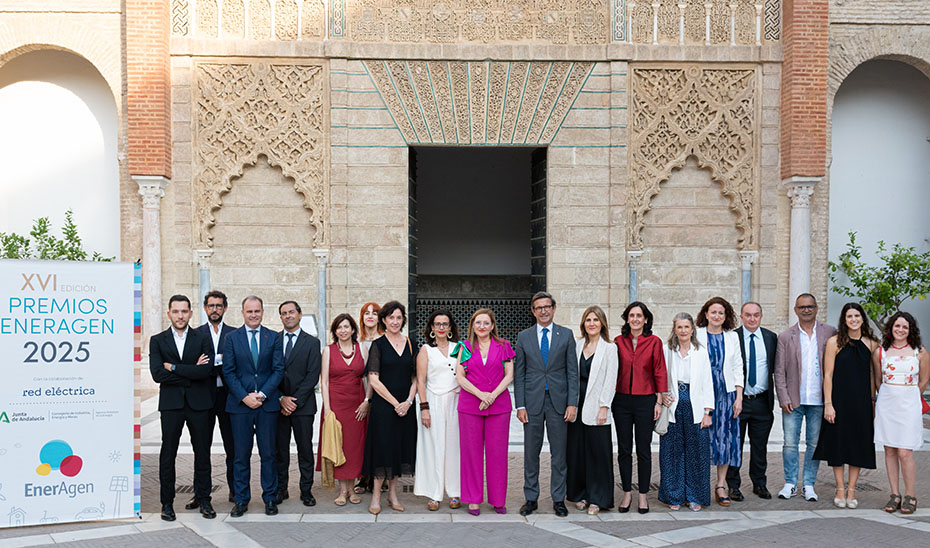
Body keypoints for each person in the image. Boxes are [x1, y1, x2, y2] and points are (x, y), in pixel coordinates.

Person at [150, 295, 215, 521]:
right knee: (168, 454)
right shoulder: (157, 340)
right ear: (169, 313)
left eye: (184, 311)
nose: (180, 316)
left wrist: (174, 368)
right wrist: (190, 372)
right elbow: (158, 374)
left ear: (190, 313)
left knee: (203, 453)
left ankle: (204, 499)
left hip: (199, 404)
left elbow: (206, 372)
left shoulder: (202, 338)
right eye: (176, 311)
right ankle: (166, 503)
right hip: (171, 405)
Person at [514, 291, 579, 517]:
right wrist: (519, 405)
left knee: (559, 455)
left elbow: (573, 372)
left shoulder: (566, 335)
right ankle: (531, 498)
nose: (543, 311)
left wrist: (573, 403)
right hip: (531, 403)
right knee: (531, 454)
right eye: (538, 307)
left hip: (559, 403)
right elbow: (519, 374)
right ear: (533, 311)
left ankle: (558, 499)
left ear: (553, 308)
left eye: (547, 306)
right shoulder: (523, 337)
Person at [222, 296, 285, 517]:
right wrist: (244, 397)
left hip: (266, 406)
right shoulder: (231, 338)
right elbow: (228, 371)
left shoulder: (273, 337)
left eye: (257, 311)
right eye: (249, 311)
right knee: (241, 455)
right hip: (240, 407)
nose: (253, 315)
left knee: (268, 454)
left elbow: (278, 369)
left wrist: (263, 394)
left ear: (262, 311)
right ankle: (241, 499)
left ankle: (269, 497)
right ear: (242, 313)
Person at [812, 302, 878, 509]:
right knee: (838, 445)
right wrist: (828, 404)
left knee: (857, 446)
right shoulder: (834, 342)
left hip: (862, 402)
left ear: (862, 318)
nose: (854, 320)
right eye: (849, 316)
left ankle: (852, 490)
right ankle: (840, 488)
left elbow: (874, 376)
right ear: (844, 319)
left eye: (857, 316)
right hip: (839, 401)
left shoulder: (872, 343)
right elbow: (828, 375)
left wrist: (874, 402)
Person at [774, 293, 836, 502]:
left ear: (817, 308)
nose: (806, 310)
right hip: (794, 400)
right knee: (790, 443)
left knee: (814, 444)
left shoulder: (830, 333)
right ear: (795, 310)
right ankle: (790, 483)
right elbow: (779, 371)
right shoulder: (785, 336)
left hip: (819, 400)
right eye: (802, 307)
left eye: (810, 306)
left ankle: (808, 484)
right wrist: (783, 397)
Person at [456, 308, 515, 516]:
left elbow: (509, 375)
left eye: (486, 323)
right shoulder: (464, 347)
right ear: (472, 325)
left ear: (492, 326)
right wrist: (481, 395)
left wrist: (491, 396)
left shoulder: (504, 346)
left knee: (497, 454)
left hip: (499, 407)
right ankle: (473, 499)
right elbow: (460, 377)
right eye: (478, 323)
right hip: (470, 406)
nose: (482, 326)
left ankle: (498, 499)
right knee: (471, 454)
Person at [363, 300, 417, 515]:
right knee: (382, 450)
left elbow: (416, 378)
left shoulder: (411, 344)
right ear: (383, 320)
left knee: (399, 449)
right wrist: (396, 403)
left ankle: (393, 494)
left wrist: (409, 402)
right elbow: (373, 380)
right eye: (391, 317)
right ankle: (376, 496)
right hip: (384, 409)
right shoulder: (378, 345)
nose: (395, 321)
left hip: (406, 407)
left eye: (398, 317)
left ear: (403, 320)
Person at [613, 301, 667, 514]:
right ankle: (627, 493)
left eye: (639, 315)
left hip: (646, 401)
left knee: (643, 449)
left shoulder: (654, 342)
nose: (635, 319)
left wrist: (659, 401)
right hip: (621, 401)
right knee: (624, 449)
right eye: (632, 315)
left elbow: (660, 370)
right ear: (627, 318)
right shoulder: (618, 342)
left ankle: (643, 495)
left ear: (646, 319)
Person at [873, 311, 929, 515]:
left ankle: (910, 495)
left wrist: (909, 394)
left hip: (909, 405)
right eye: (897, 326)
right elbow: (878, 380)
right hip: (887, 404)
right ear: (891, 328)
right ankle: (894, 494)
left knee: (905, 452)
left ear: (910, 330)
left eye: (905, 327)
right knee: (889, 450)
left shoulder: (919, 352)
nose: (900, 330)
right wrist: (890, 394)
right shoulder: (881, 352)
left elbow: (924, 380)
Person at [658, 313, 713, 511]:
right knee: (672, 452)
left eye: (686, 327)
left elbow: (708, 382)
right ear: (674, 329)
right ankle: (674, 495)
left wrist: (708, 411)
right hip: (673, 403)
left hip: (695, 404)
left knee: (696, 452)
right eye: (679, 327)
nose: (683, 330)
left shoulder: (700, 352)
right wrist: (662, 396)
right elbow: (659, 376)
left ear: (692, 330)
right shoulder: (666, 350)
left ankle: (695, 496)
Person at [567, 306, 618, 515]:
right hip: (576, 407)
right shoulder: (577, 345)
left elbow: (610, 379)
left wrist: (604, 406)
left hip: (597, 408)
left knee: (599, 454)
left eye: (596, 320)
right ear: (583, 324)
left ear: (602, 323)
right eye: (588, 320)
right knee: (577, 453)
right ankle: (580, 494)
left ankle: (599, 498)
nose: (592, 323)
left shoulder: (610, 348)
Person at [725, 302, 777, 501]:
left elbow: (776, 369)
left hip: (762, 401)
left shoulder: (771, 338)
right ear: (741, 316)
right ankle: (733, 485)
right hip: (739, 401)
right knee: (734, 445)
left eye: (756, 315)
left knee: (759, 446)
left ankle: (759, 484)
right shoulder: (733, 338)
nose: (752, 319)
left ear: (761, 316)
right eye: (748, 315)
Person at [189, 290, 236, 510]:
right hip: (203, 397)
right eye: (211, 306)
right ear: (205, 308)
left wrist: (210, 364)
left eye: (218, 306)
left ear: (225, 308)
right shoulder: (195, 334)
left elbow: (236, 364)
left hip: (229, 397)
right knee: (201, 448)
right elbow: (195, 365)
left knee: (233, 447)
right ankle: (200, 494)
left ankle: (236, 491)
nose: (214, 309)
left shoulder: (234, 334)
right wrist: (218, 362)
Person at [695, 297, 743, 507]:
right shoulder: (696, 334)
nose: (716, 316)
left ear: (726, 316)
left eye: (721, 313)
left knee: (725, 440)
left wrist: (739, 396)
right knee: (702, 438)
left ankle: (721, 485)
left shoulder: (732, 337)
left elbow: (737, 367)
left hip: (726, 394)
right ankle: (699, 485)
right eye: (713, 312)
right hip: (702, 393)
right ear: (706, 314)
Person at [319, 313, 371, 506]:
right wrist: (327, 409)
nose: (343, 331)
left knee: (354, 447)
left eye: (346, 327)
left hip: (357, 405)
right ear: (334, 331)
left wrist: (367, 400)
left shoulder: (362, 348)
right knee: (338, 445)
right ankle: (342, 490)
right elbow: (323, 381)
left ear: (353, 330)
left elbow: (370, 378)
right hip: (336, 404)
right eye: (339, 327)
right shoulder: (328, 351)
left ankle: (352, 488)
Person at [414, 310, 462, 511]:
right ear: (432, 328)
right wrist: (424, 408)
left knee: (454, 448)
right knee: (433, 448)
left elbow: (466, 374)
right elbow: (421, 381)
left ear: (450, 327)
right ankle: (434, 493)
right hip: (432, 402)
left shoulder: (459, 348)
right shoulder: (426, 350)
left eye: (445, 324)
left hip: (456, 402)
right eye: (437, 324)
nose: (441, 327)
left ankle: (455, 492)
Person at [274, 301, 322, 507]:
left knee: (304, 450)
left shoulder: (312, 342)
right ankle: (280, 489)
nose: (288, 316)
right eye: (283, 313)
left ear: (300, 315)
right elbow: (267, 372)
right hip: (277, 406)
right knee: (279, 451)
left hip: (303, 407)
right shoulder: (273, 340)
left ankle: (306, 491)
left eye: (291, 312)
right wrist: (280, 398)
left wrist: (294, 401)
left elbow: (313, 375)